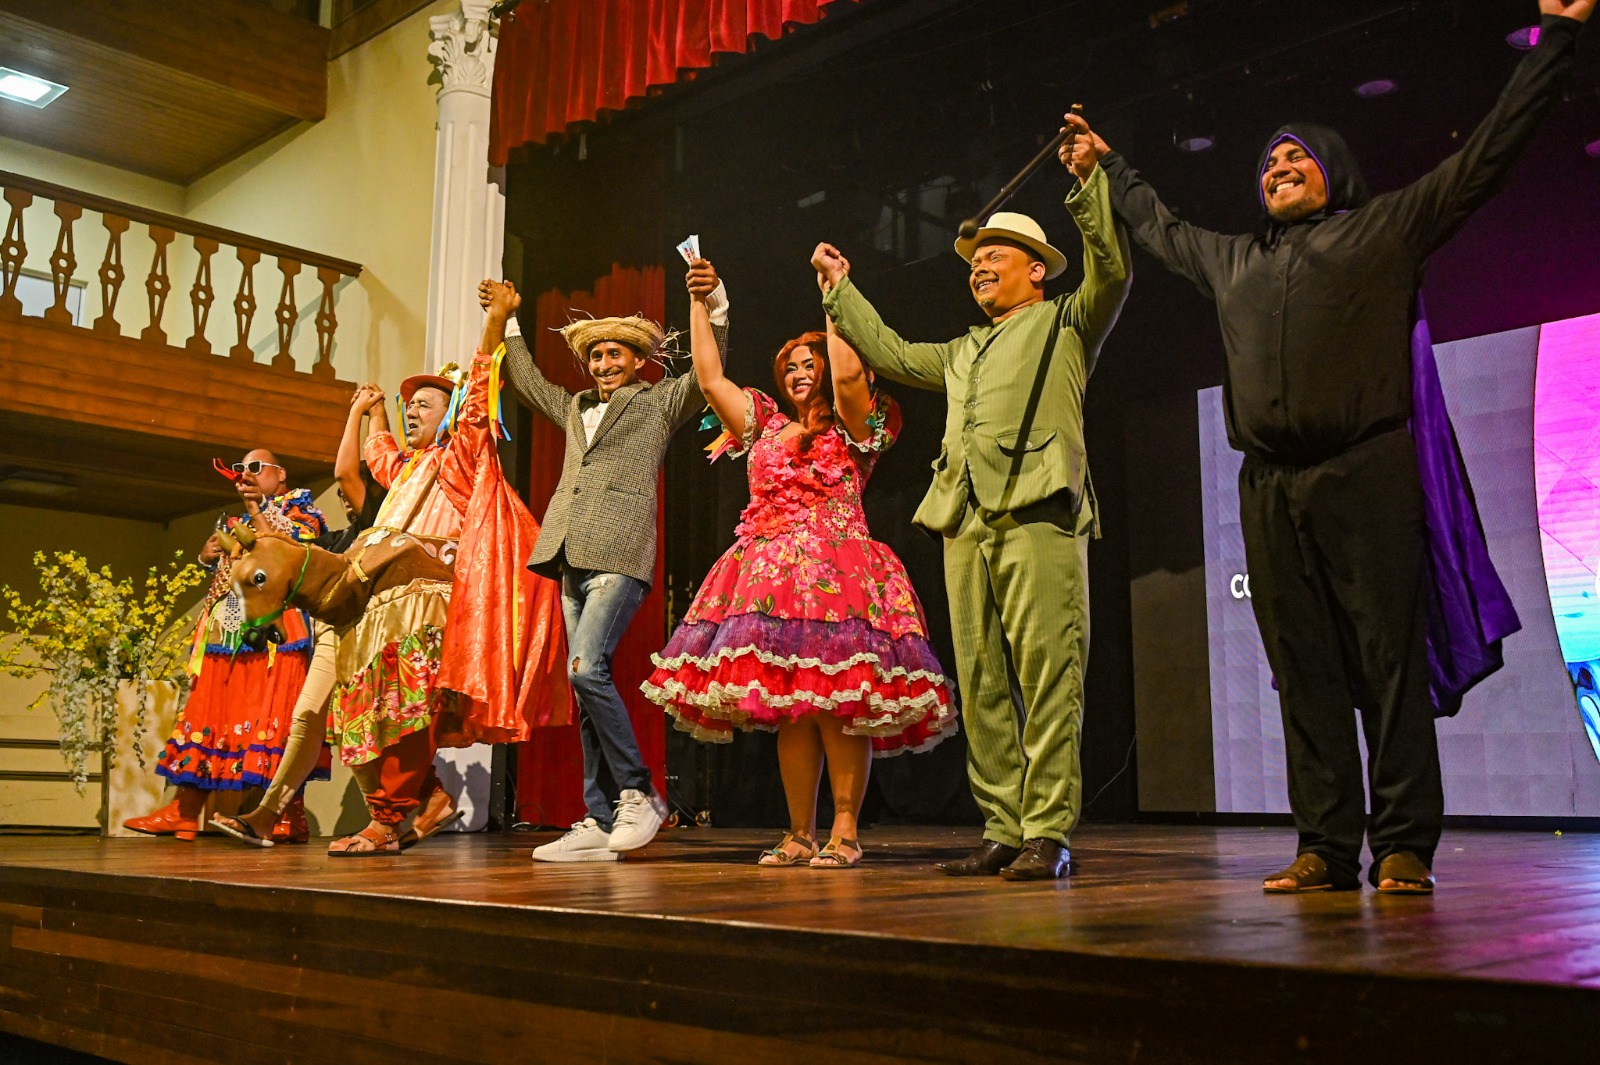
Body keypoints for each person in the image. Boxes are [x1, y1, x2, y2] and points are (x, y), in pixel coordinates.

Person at [1082, 0, 1591, 893]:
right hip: (1269, 486)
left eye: (1297, 158)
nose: (1278, 169)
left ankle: (1401, 844)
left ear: (1335, 173)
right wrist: (1107, 164)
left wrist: (1556, 39)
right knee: (1303, 669)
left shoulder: (1385, 229)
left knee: (1388, 664)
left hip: (1367, 471)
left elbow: (1489, 154)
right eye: (1268, 164)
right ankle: (1322, 843)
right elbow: (1158, 225)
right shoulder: (1233, 260)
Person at [810, 123, 1130, 881]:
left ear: (1036, 271)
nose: (980, 265)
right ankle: (1003, 825)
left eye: (996, 256)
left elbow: (1112, 270)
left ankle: (1047, 829)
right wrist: (840, 289)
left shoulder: (1067, 321)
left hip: (1040, 508)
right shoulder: (961, 350)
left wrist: (1089, 183)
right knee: (982, 680)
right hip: (964, 517)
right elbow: (889, 353)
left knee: (1049, 673)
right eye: (976, 259)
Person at [643, 259, 958, 867]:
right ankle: (798, 832)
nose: (797, 373)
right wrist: (700, 304)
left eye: (808, 363)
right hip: (769, 583)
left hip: (838, 577)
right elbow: (709, 379)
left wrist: (833, 302)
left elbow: (848, 375)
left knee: (838, 705)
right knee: (793, 710)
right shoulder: (763, 426)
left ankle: (846, 832)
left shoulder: (857, 423)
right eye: (789, 366)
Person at [309, 285, 568, 855]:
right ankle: (425, 799)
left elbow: (477, 394)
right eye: (411, 408)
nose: (414, 413)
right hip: (381, 607)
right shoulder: (406, 468)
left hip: (427, 603)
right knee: (373, 710)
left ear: (449, 415)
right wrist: (373, 410)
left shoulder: (460, 459)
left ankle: (388, 819)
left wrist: (495, 320)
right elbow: (371, 453)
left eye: (425, 405)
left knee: (407, 708)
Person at [498, 272, 729, 862]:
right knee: (584, 687)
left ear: (637, 360)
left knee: (585, 669)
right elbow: (527, 382)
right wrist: (509, 320)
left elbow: (709, 371)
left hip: (620, 553)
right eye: (597, 356)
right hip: (569, 553)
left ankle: (639, 792)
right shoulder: (574, 406)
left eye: (615, 355)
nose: (603, 364)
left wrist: (713, 305)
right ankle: (599, 818)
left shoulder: (657, 403)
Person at [210, 385, 403, 847]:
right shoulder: (343, 539)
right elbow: (277, 553)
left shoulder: (380, 518)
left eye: (353, 491)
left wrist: (363, 411)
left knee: (352, 725)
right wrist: (251, 509)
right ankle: (265, 816)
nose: (345, 495)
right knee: (308, 718)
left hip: (369, 626)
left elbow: (347, 469)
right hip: (336, 626)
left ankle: (393, 816)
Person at [124, 450, 327, 841]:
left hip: (276, 625)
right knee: (209, 711)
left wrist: (258, 508)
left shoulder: (302, 511)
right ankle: (184, 811)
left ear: (281, 474)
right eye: (240, 469)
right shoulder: (238, 521)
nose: (246, 474)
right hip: (229, 626)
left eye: (256, 468)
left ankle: (288, 815)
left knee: (278, 715)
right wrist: (207, 557)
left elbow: (288, 550)